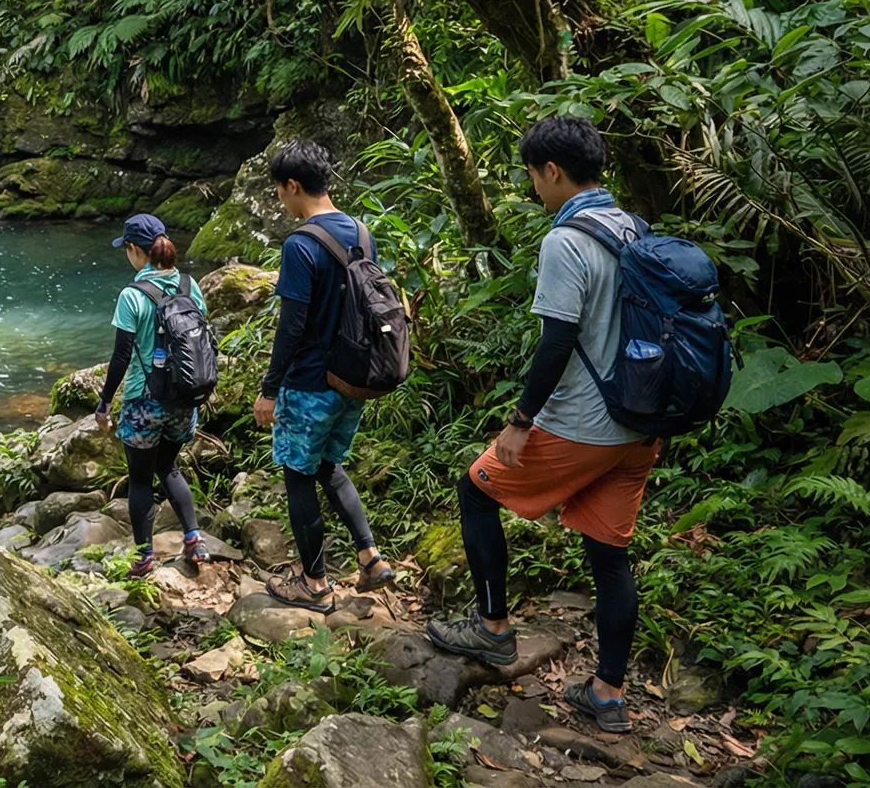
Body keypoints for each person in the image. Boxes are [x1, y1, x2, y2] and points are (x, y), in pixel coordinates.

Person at [426, 115, 655, 735]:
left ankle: (494, 629)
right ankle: (608, 693)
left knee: (476, 488)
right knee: (610, 557)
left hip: (583, 423)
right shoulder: (634, 227)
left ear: (552, 171)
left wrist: (521, 421)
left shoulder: (567, 241)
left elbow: (556, 342)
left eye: (531, 174)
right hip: (641, 424)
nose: (533, 185)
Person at [252, 140, 397, 611]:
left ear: (293, 186)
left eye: (279, 191)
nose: (282, 200)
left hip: (310, 383)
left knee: (298, 476)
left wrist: (270, 389)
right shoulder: (360, 231)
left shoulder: (301, 244)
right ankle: (370, 557)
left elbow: (292, 325)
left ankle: (315, 585)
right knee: (329, 467)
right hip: (353, 378)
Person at [95, 213, 212, 578]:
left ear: (134, 250)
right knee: (168, 466)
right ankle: (194, 540)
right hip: (185, 398)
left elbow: (121, 356)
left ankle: (144, 557)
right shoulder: (190, 286)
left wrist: (103, 402)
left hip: (144, 402)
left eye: (126, 249)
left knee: (141, 478)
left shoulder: (132, 295)